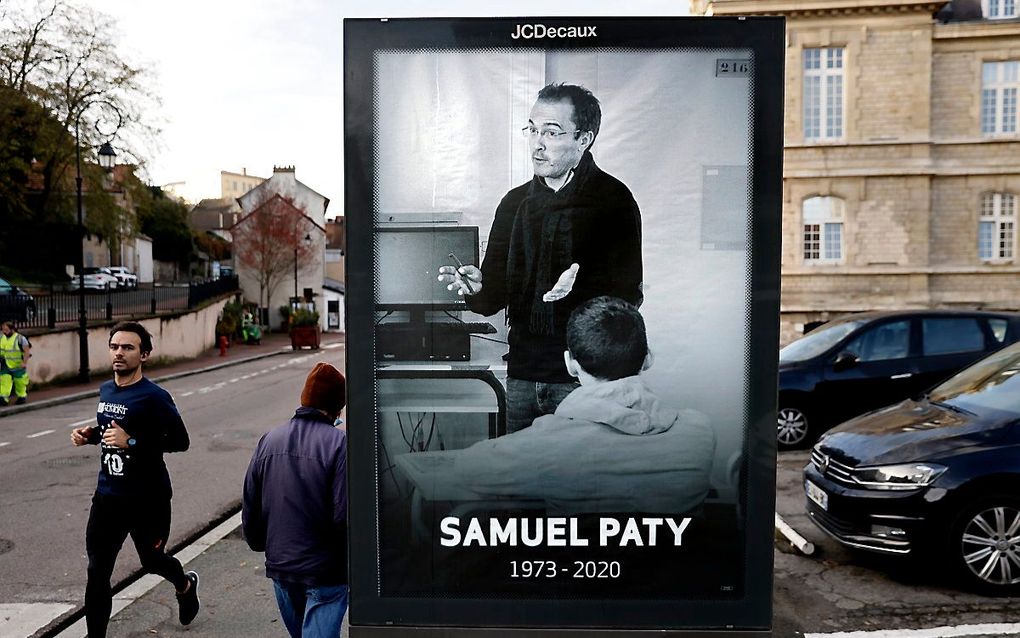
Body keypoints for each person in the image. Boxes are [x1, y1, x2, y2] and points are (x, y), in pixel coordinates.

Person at [438, 83, 643, 433]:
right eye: (533, 130)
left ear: (584, 139)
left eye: (551, 132)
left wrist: (580, 289)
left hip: (584, 383)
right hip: (522, 378)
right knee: (521, 484)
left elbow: (628, 301)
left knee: (578, 486)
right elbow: (491, 300)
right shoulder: (513, 204)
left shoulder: (614, 202)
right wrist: (476, 287)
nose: (537, 143)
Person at [441, 296, 715, 514]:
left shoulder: (548, 441)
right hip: (669, 581)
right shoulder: (699, 432)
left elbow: (466, 470)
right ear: (647, 359)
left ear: (570, 364)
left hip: (580, 579)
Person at [69, 321, 199, 636]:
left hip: (148, 500)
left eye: (128, 347)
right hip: (108, 497)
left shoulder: (155, 397)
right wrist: (92, 435)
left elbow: (180, 441)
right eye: (115, 346)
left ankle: (184, 585)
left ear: (144, 355)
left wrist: (133, 442)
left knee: (152, 561)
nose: (119, 353)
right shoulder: (106, 390)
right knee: (97, 572)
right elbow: (111, 430)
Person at [242, 362, 349, 638]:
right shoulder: (340, 444)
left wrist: (260, 544)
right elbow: (343, 515)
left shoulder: (269, 440)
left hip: (281, 567)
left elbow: (251, 501)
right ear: (338, 407)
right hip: (326, 572)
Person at [0, 320, 31, 405]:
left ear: (12, 329)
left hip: (18, 365)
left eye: (6, 330)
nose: (4, 332)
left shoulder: (20, 338)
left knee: (20, 382)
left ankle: (22, 397)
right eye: (3, 330)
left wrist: (24, 363)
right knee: (4, 381)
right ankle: (3, 398)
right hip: (5, 364)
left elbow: (27, 351)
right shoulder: (1, 338)